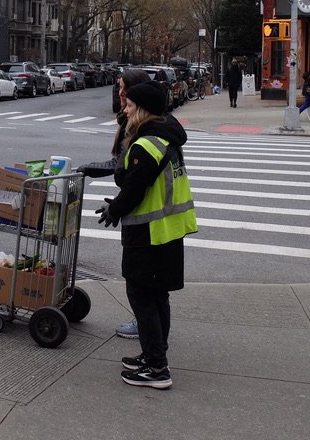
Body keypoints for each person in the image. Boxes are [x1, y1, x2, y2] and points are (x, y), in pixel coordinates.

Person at [93, 80, 197, 389]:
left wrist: (114, 210)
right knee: (157, 296)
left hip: (150, 232)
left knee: (142, 297)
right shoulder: (165, 136)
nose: (124, 109)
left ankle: (156, 368)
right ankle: (153, 355)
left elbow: (133, 188)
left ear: (143, 109)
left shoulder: (146, 145)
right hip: (167, 230)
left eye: (129, 105)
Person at [79, 67, 153, 340]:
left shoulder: (143, 129)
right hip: (145, 214)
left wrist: (118, 206)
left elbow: (129, 171)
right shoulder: (134, 121)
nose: (119, 93)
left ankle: (150, 339)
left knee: (139, 279)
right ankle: (149, 329)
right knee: (144, 279)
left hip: (147, 218)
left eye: (124, 89)